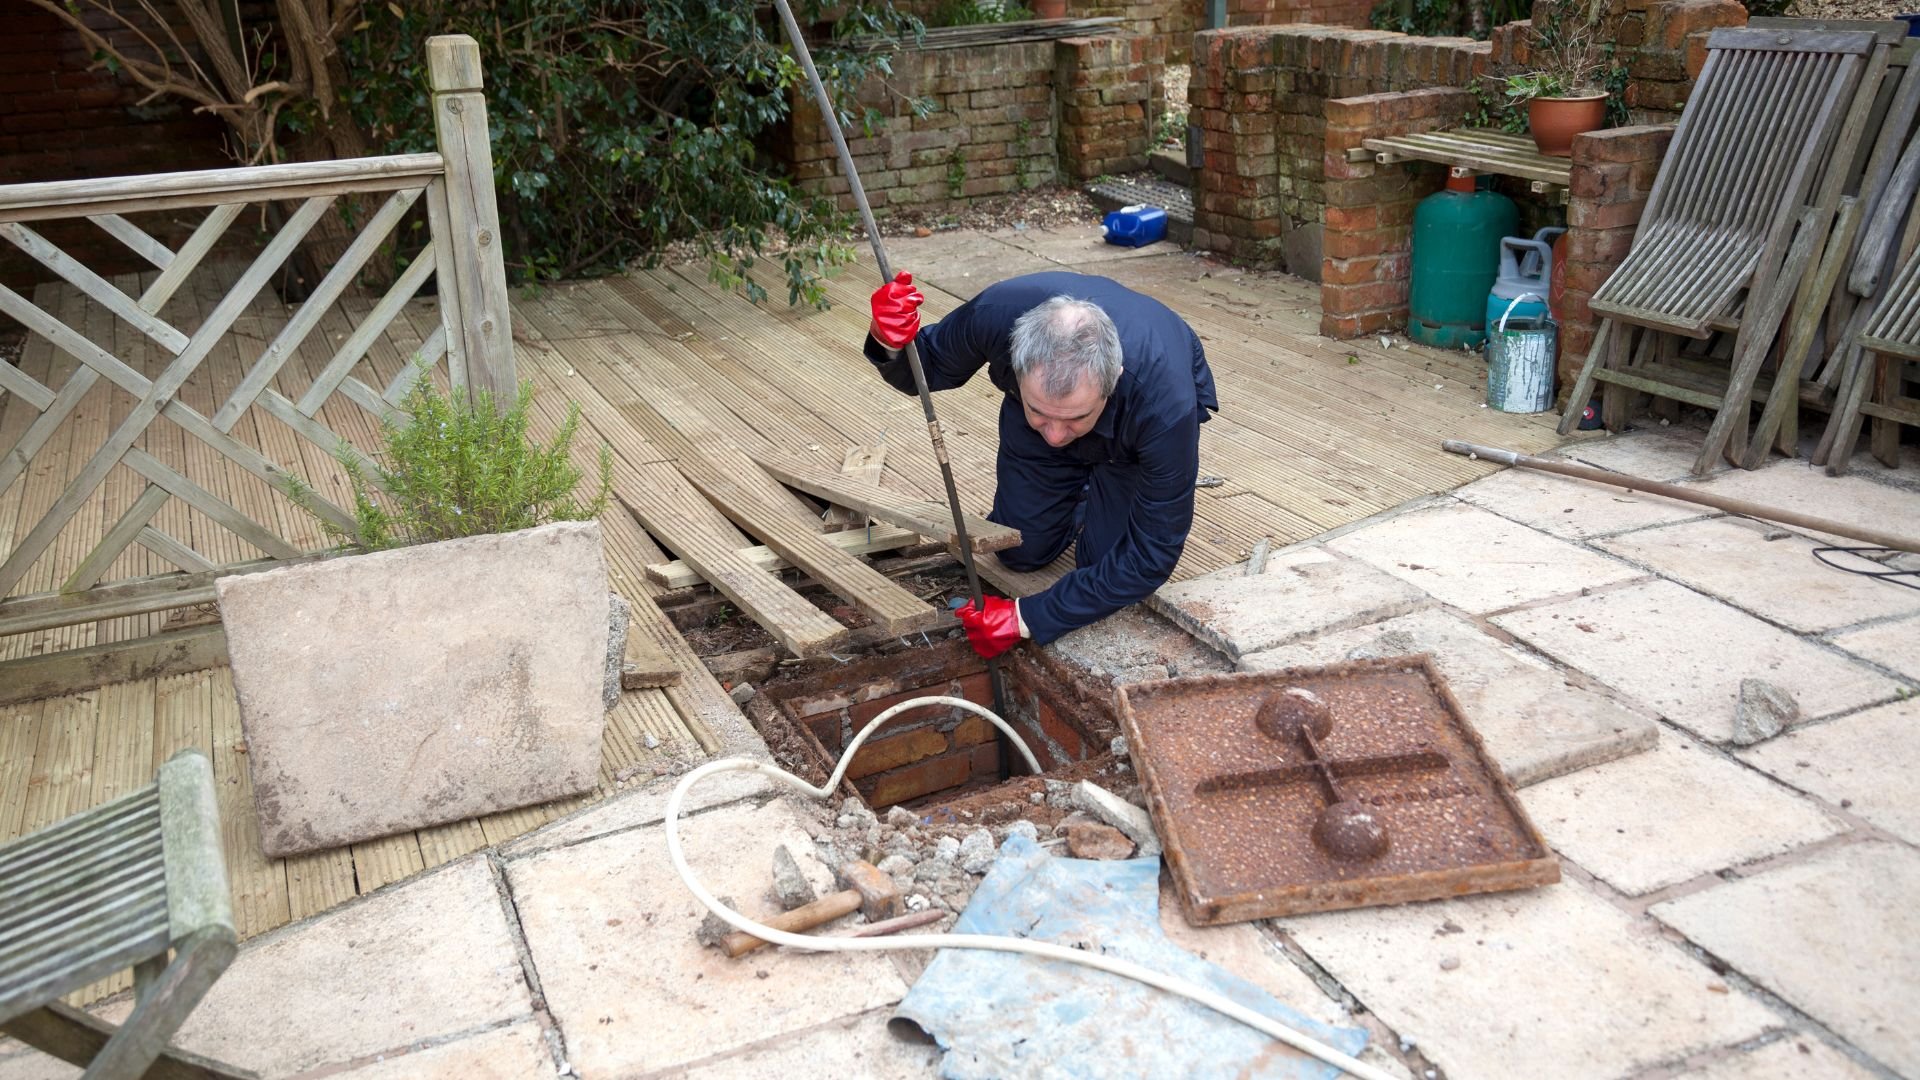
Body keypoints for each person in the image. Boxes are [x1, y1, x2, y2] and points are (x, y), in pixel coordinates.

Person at [866, 270, 1218, 660]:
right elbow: (926, 368)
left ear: (1113, 379)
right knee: (1019, 550)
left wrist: (1025, 616)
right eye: (1041, 412)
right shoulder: (998, 315)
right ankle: (1077, 483)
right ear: (1015, 361)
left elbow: (1151, 556)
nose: (1055, 436)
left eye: (1075, 419)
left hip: (1128, 440)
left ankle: (1100, 480)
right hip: (1037, 423)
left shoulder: (1165, 406)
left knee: (1103, 562)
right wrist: (889, 338)